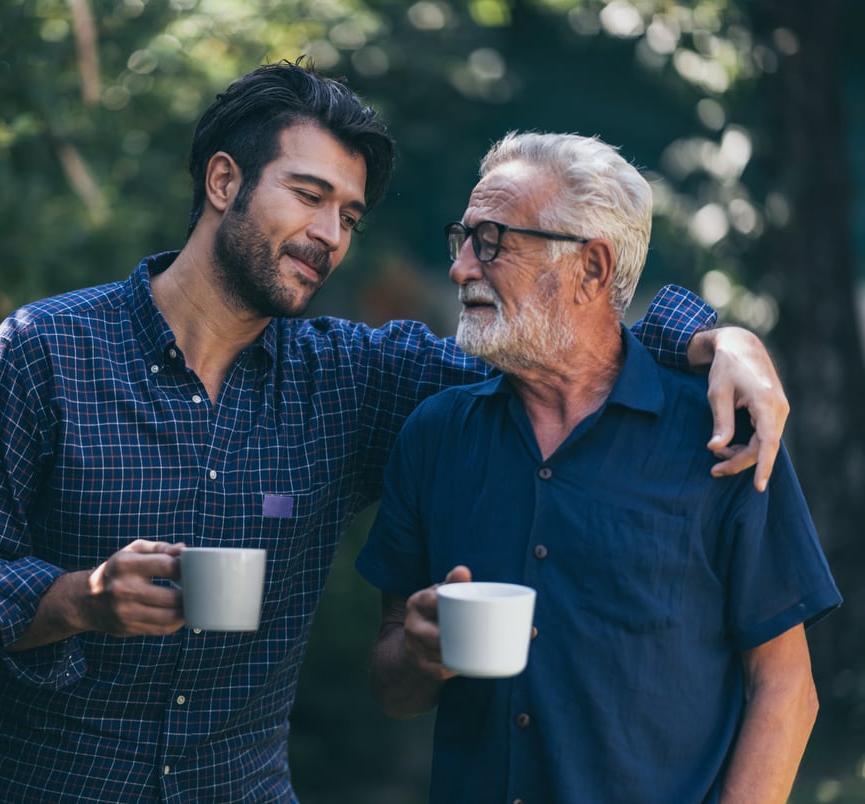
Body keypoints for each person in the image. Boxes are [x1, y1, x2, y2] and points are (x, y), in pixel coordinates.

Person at [0, 61, 790, 802]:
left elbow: (558, 340)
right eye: (310, 195)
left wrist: (715, 337)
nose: (330, 234)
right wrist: (76, 600)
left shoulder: (353, 381)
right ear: (223, 182)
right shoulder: (49, 350)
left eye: (350, 216)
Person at [357, 131, 841, 804]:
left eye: (493, 241)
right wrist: (417, 654)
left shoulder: (723, 433)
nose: (462, 268)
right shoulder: (434, 436)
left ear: (592, 268)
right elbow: (392, 687)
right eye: (462, 240)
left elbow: (786, 688)